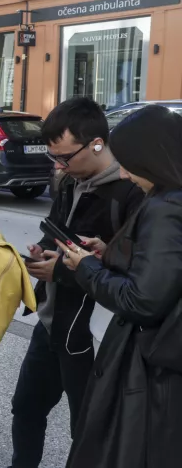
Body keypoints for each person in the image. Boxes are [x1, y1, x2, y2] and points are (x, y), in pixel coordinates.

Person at [9, 97, 143, 468]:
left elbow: (136, 274)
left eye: (65, 157)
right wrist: (44, 251)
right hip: (52, 321)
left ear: (97, 144)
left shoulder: (131, 191)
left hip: (91, 332)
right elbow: (58, 230)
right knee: (26, 408)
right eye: (53, 157)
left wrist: (62, 271)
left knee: (87, 428)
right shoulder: (68, 180)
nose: (59, 166)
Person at [57, 105, 182, 468]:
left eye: (129, 164)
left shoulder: (166, 208)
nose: (124, 173)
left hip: (151, 370)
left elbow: (143, 300)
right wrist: (110, 254)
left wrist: (87, 268)